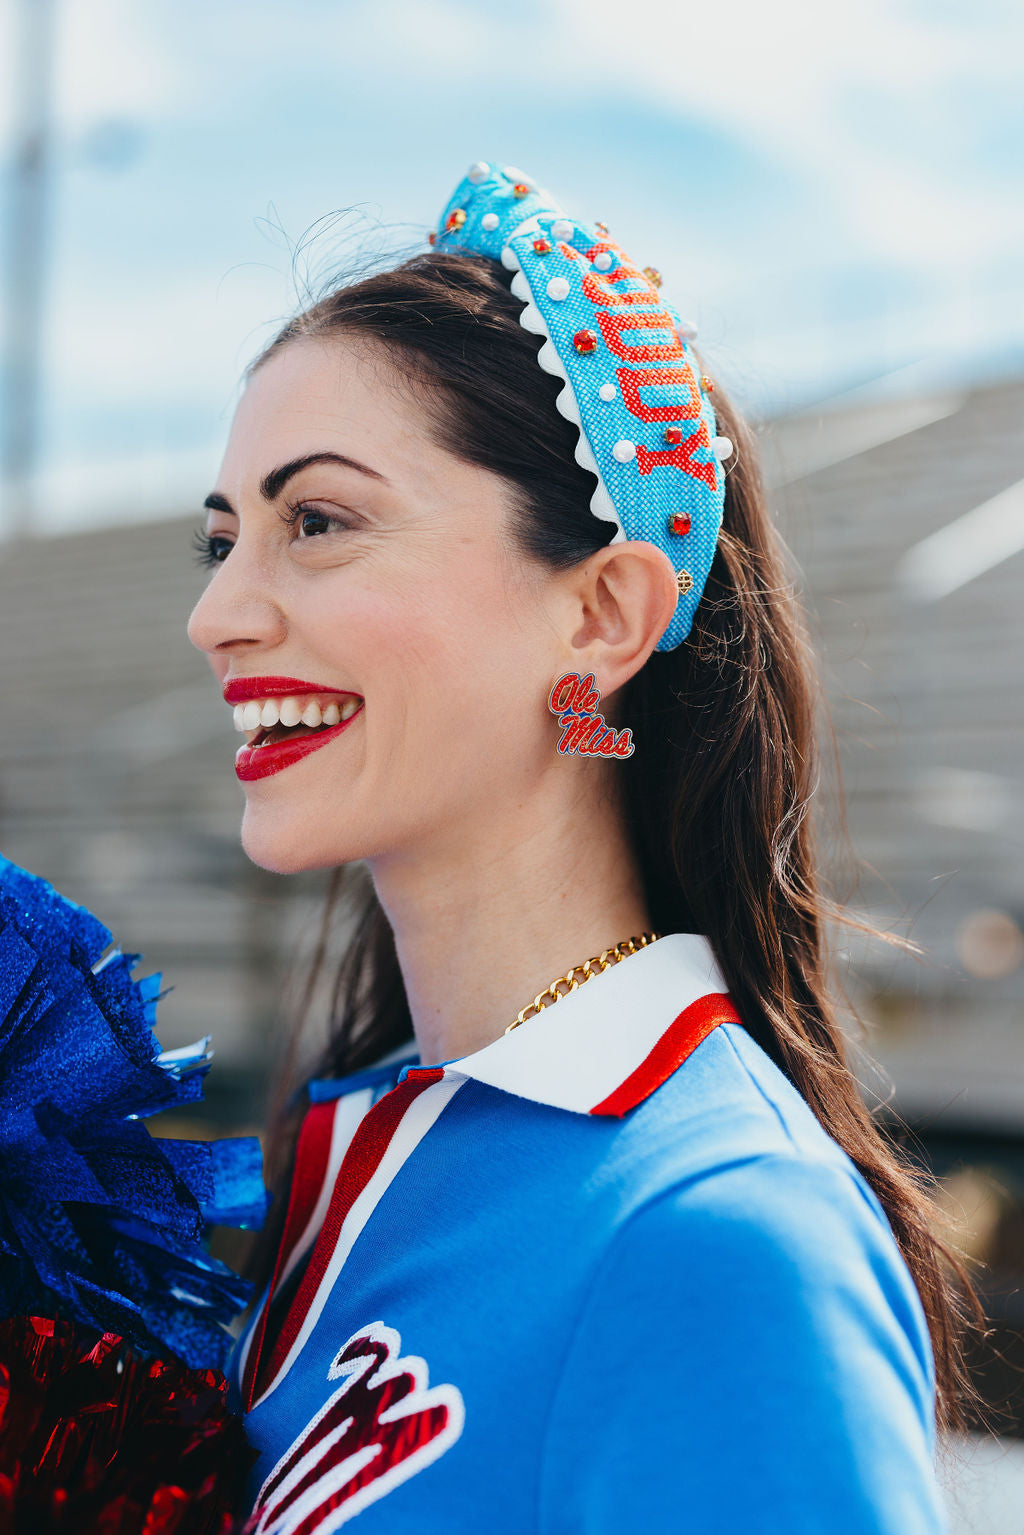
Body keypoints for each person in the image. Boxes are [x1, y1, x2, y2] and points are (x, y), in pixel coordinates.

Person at [186, 160, 983, 1532]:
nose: (220, 616)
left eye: (317, 522)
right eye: (223, 540)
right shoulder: (379, 1161)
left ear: (604, 615)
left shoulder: (724, 1243)